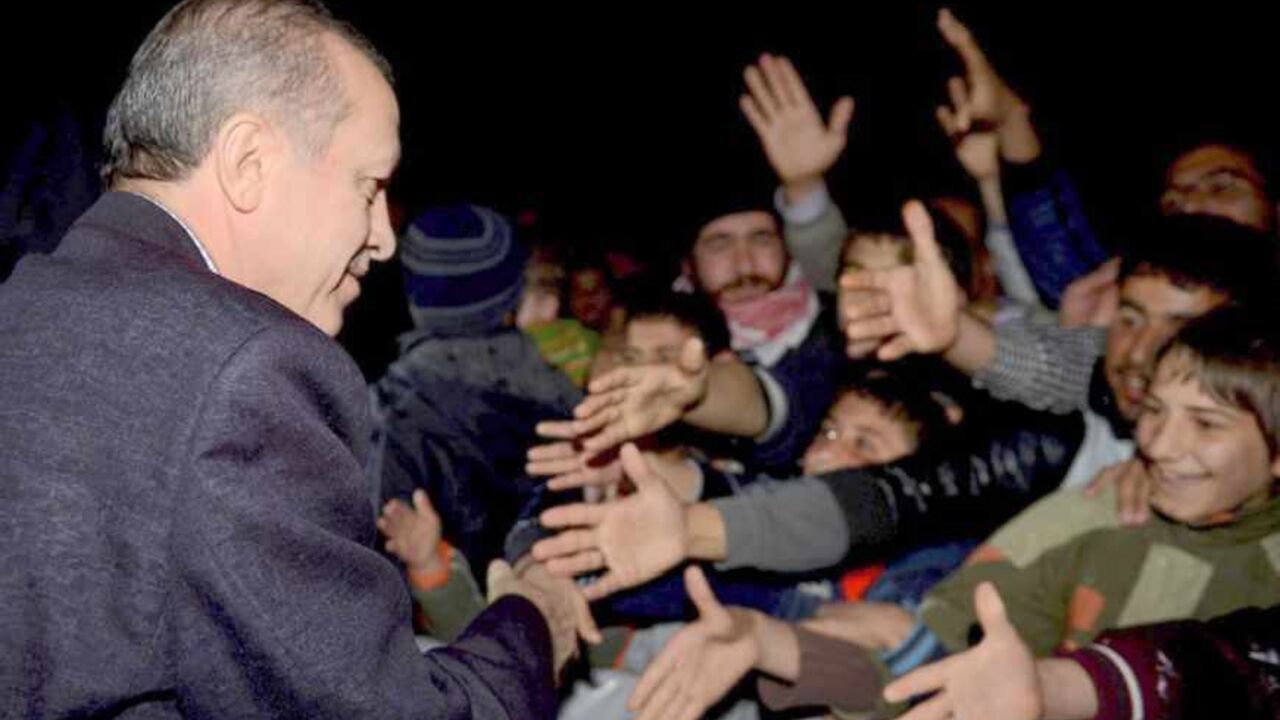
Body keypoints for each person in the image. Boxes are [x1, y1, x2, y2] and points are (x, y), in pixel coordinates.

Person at [0, 2, 593, 717]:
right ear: (250, 163)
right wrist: (533, 620)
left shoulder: (26, 307)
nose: (384, 240)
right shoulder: (245, 367)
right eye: (370, 188)